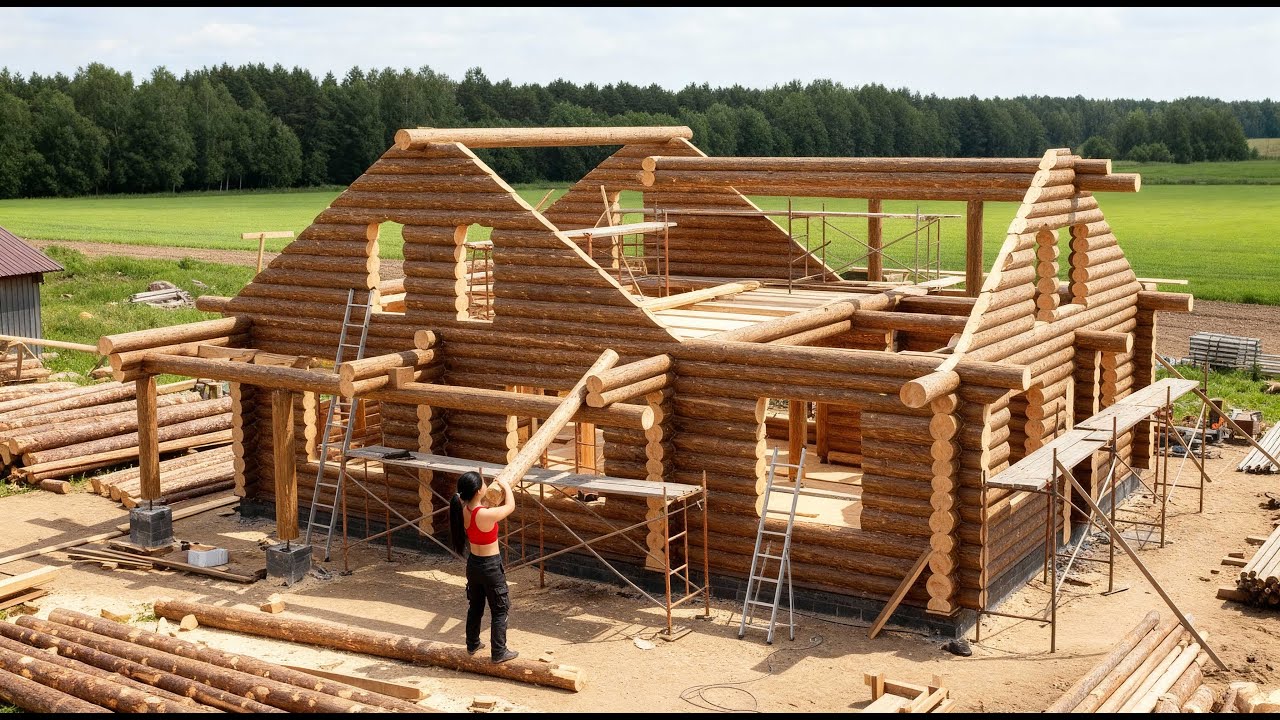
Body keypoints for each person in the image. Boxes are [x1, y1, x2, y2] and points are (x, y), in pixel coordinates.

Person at [449, 470, 519, 663]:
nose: (486, 484)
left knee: (475, 606)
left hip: (473, 565)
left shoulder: (464, 510)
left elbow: (481, 509)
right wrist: (506, 486)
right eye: (484, 482)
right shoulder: (485, 514)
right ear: (479, 490)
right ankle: (499, 652)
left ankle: (472, 643)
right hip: (490, 566)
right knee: (500, 609)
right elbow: (510, 506)